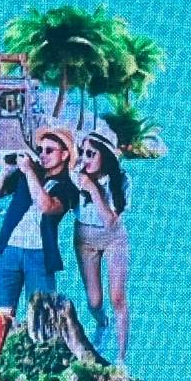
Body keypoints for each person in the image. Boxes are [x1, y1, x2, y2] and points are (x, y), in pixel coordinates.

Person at [0, 126, 78, 319]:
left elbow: (47, 206)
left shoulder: (67, 188)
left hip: (40, 254)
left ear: (64, 155)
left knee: (41, 316)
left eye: (49, 150)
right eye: (40, 150)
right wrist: (6, 171)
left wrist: (29, 171)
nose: (42, 155)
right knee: (0, 314)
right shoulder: (27, 175)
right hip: (8, 249)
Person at [74, 128, 131, 363]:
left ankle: (121, 357)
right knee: (94, 302)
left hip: (114, 238)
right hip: (84, 240)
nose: (85, 159)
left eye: (91, 154)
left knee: (117, 297)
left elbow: (110, 221)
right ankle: (102, 324)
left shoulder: (122, 180)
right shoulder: (76, 176)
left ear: (105, 156)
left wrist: (93, 190)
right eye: (83, 153)